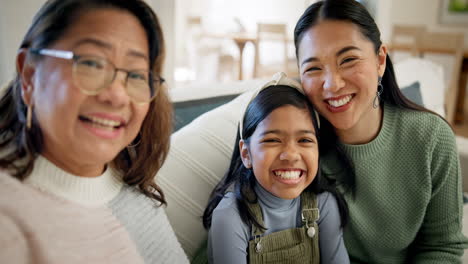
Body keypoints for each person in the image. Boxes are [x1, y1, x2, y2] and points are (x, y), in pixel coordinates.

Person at [0, 0, 188, 263]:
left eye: (135, 76)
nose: (117, 96)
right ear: (30, 75)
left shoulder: (133, 191)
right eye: (92, 64)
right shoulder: (9, 222)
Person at [294, 0, 468, 263]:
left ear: (380, 60)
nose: (332, 84)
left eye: (348, 59)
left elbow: (442, 247)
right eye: (314, 68)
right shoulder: (294, 146)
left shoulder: (431, 138)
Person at [202, 72, 350, 263]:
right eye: (272, 140)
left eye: (304, 140)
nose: (290, 154)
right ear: (246, 154)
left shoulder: (324, 205)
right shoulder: (230, 217)